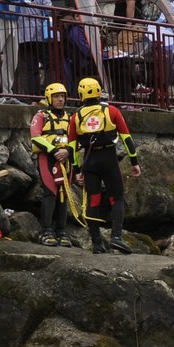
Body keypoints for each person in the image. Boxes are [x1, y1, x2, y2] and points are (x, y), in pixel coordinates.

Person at [67, 76, 140, 255]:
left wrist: (76, 171)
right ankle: (116, 237)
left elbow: (72, 147)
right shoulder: (112, 111)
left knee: (93, 200)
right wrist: (134, 162)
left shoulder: (76, 116)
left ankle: (97, 243)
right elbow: (126, 138)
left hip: (90, 161)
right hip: (109, 158)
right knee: (118, 198)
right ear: (99, 91)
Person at [30, 82, 78, 247]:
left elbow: (75, 140)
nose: (60, 100)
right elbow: (35, 137)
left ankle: (61, 231)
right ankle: (46, 231)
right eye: (56, 96)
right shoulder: (41, 115)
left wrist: (68, 152)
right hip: (47, 158)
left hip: (65, 159)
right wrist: (54, 151)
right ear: (49, 98)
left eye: (62, 96)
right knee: (50, 192)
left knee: (63, 193)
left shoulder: (70, 118)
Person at [15, 0, 54, 97]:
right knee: (49, 65)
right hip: (40, 35)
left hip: (23, 36)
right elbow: (49, 9)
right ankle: (49, 93)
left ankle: (33, 96)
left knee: (31, 68)